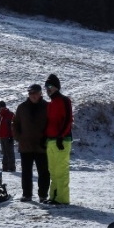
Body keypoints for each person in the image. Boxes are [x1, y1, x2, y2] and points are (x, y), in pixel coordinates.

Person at [12, 84, 50, 202]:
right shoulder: (22, 107)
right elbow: (15, 124)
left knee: (43, 172)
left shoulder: (47, 107)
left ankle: (43, 195)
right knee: (26, 172)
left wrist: (47, 138)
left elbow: (51, 124)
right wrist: (19, 138)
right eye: (30, 93)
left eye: (35, 93)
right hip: (26, 146)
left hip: (41, 146)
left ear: (40, 94)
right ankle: (27, 194)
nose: (32, 96)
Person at [44, 74, 73, 205]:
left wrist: (61, 136)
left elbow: (68, 120)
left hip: (62, 140)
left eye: (50, 86)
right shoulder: (50, 104)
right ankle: (53, 197)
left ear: (56, 87)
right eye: (46, 87)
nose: (47, 89)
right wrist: (45, 137)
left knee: (61, 170)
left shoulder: (64, 100)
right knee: (53, 171)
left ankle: (62, 198)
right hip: (51, 141)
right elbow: (49, 123)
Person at [0, 101, 16, 171]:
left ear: (2, 106)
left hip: (8, 137)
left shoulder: (10, 114)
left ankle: (12, 168)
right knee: (4, 153)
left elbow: (13, 126)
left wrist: (11, 136)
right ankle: (5, 168)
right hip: (2, 137)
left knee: (10, 153)